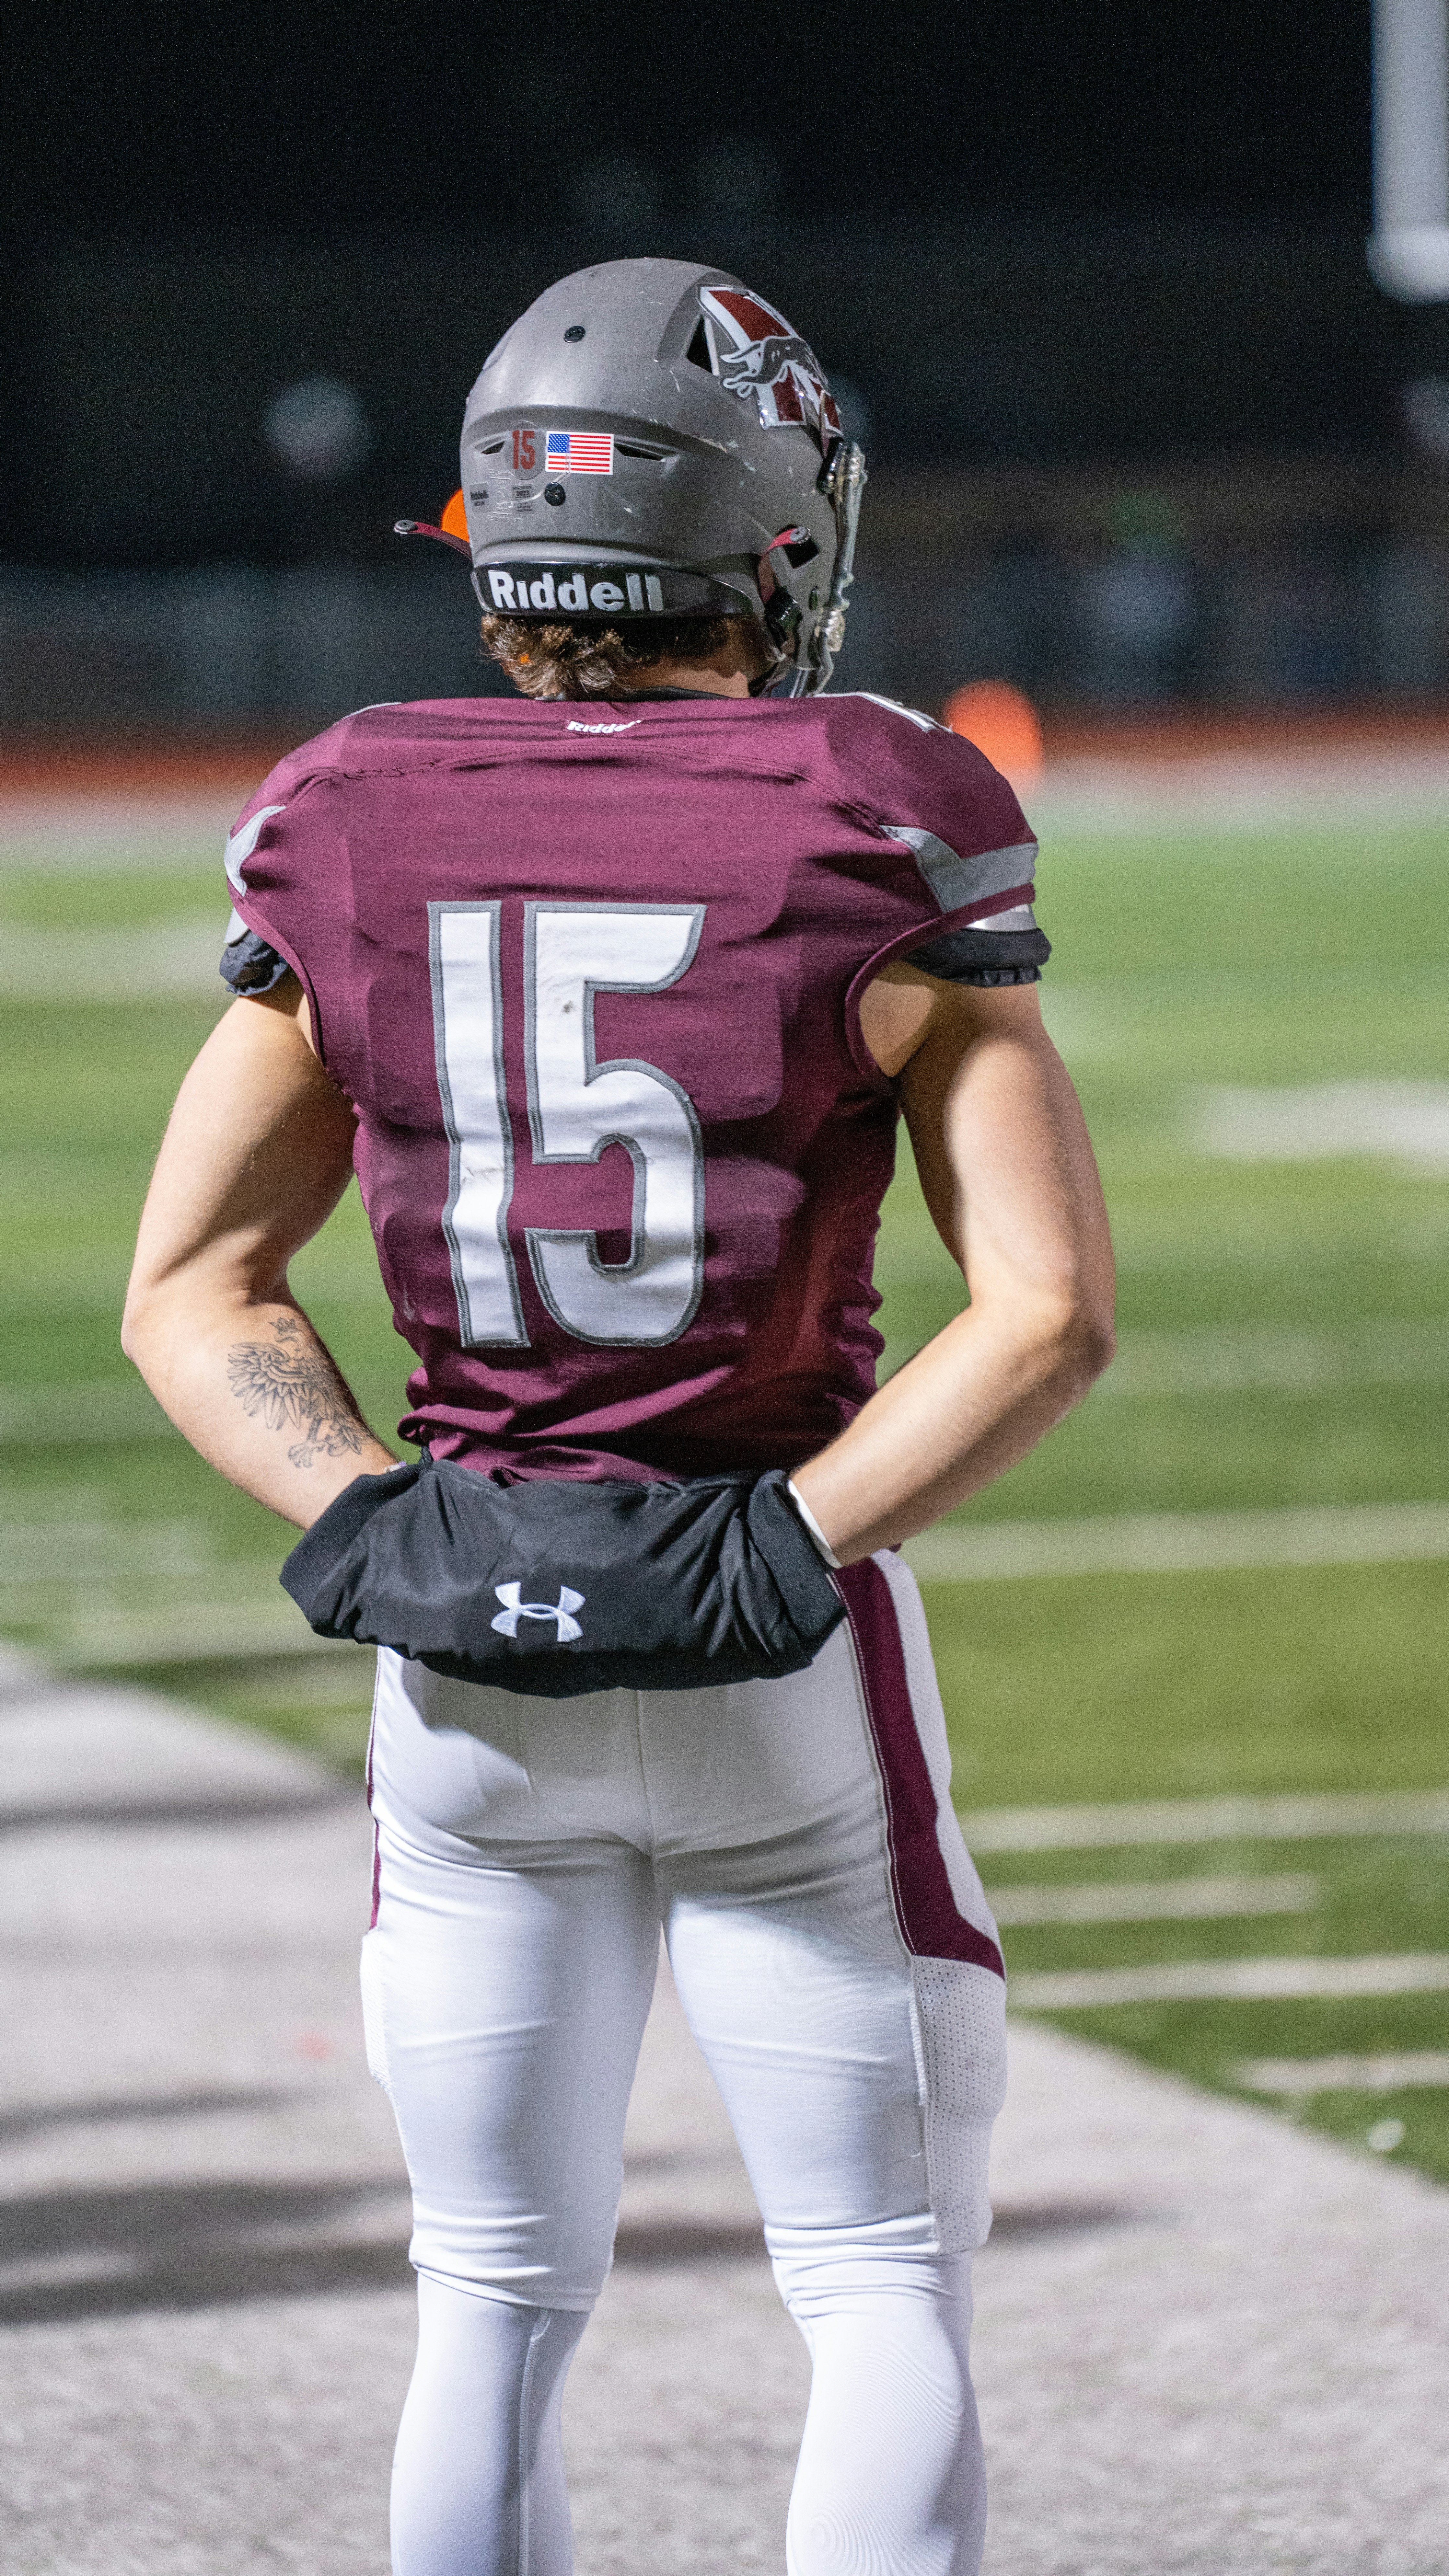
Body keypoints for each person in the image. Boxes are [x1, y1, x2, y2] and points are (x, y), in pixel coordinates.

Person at [123, 259, 1114, 2576]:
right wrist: (785, 1546)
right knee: (873, 2290)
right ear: (766, 530)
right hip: (776, 1643)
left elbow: (190, 1286)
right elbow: (1044, 1313)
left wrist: (373, 1517)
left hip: (461, 1671)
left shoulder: (347, 807)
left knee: (484, 2303)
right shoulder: (881, 808)